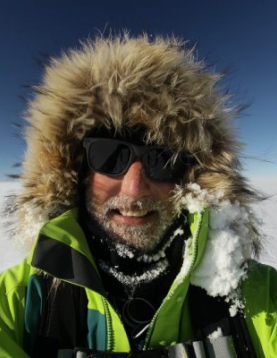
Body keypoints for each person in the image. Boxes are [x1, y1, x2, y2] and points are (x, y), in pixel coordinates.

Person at [0, 34, 276, 358]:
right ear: (77, 172)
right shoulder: (19, 302)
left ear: (191, 177)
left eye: (163, 160)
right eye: (109, 157)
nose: (134, 188)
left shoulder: (259, 295)